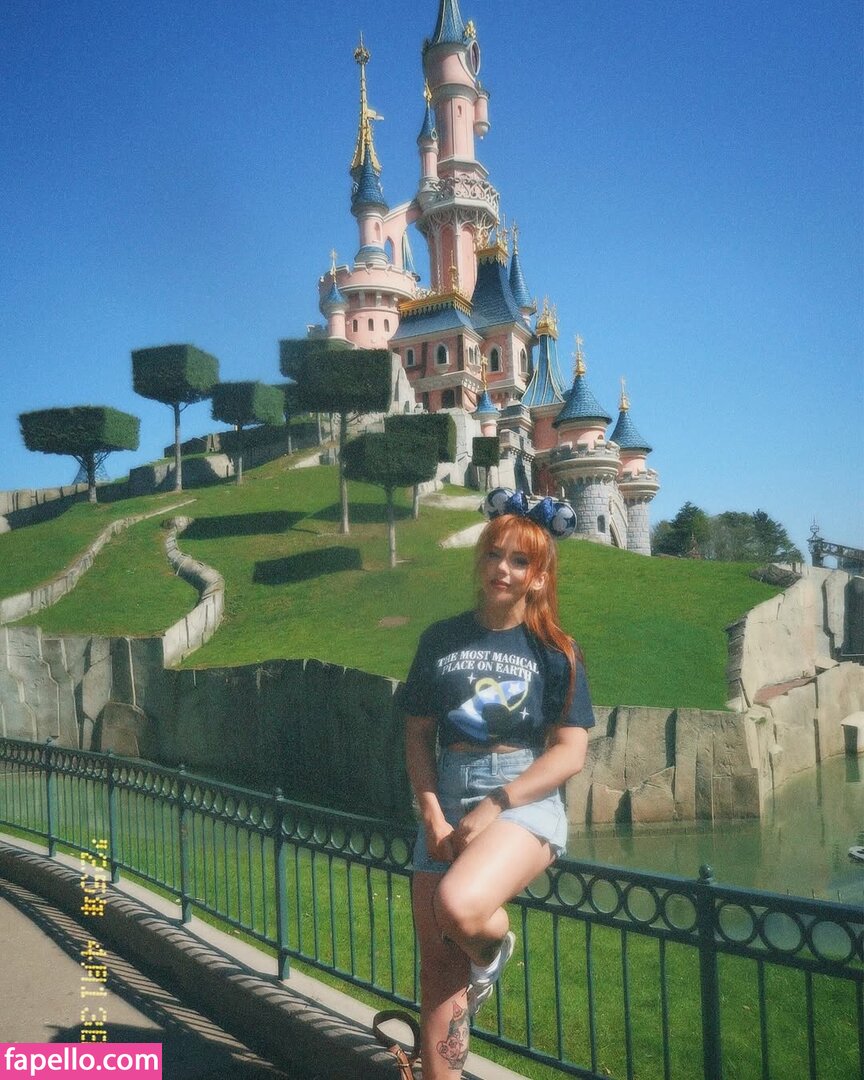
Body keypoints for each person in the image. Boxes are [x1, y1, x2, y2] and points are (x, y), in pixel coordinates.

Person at [399, 502, 594, 1078]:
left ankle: (492, 947)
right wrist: (432, 814)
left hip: (520, 796)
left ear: (538, 575)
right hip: (447, 790)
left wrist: (495, 804)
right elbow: (417, 734)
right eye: (493, 554)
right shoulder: (441, 638)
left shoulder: (555, 650)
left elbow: (570, 751)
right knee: (438, 969)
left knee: (458, 906)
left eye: (519, 560)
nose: (502, 568)